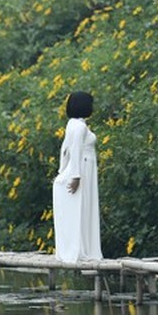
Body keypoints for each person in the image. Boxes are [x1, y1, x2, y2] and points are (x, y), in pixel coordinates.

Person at [52, 91, 102, 262]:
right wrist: (75, 176)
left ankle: (83, 247)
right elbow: (74, 149)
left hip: (84, 166)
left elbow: (64, 149)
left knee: (85, 208)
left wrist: (62, 169)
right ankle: (82, 250)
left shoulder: (72, 124)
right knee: (84, 206)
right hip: (84, 166)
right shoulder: (79, 127)